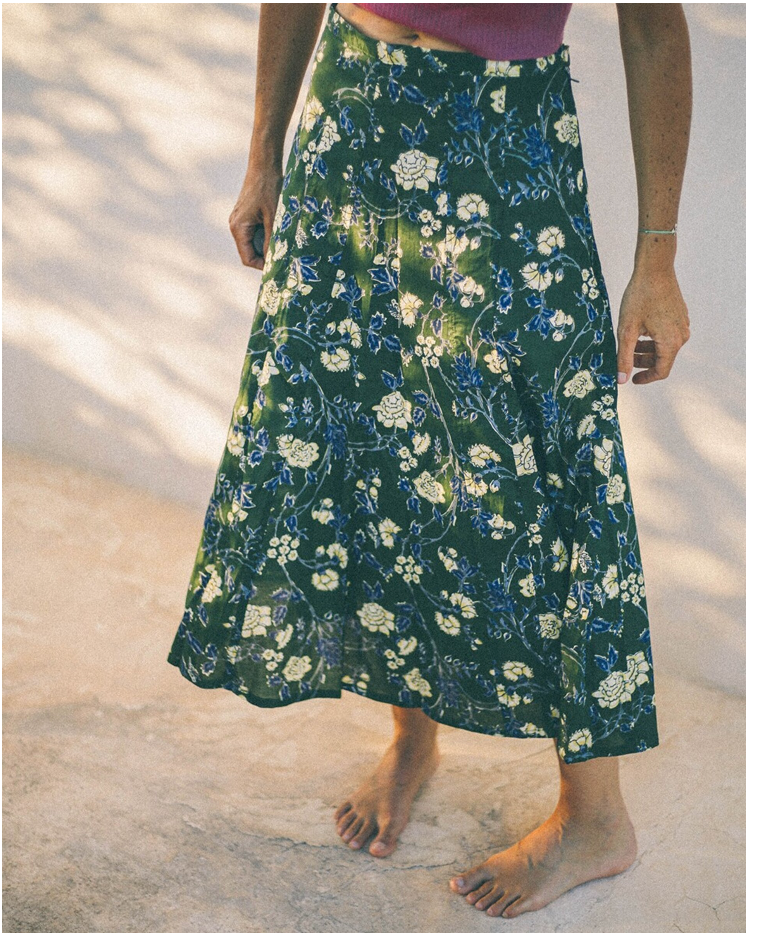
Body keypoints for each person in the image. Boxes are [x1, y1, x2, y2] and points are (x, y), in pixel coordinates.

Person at [167, 1, 691, 919]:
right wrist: (265, 152)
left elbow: (652, 26)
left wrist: (658, 259)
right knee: (373, 434)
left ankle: (596, 818)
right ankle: (413, 736)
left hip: (501, 136)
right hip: (352, 112)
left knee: (537, 457)